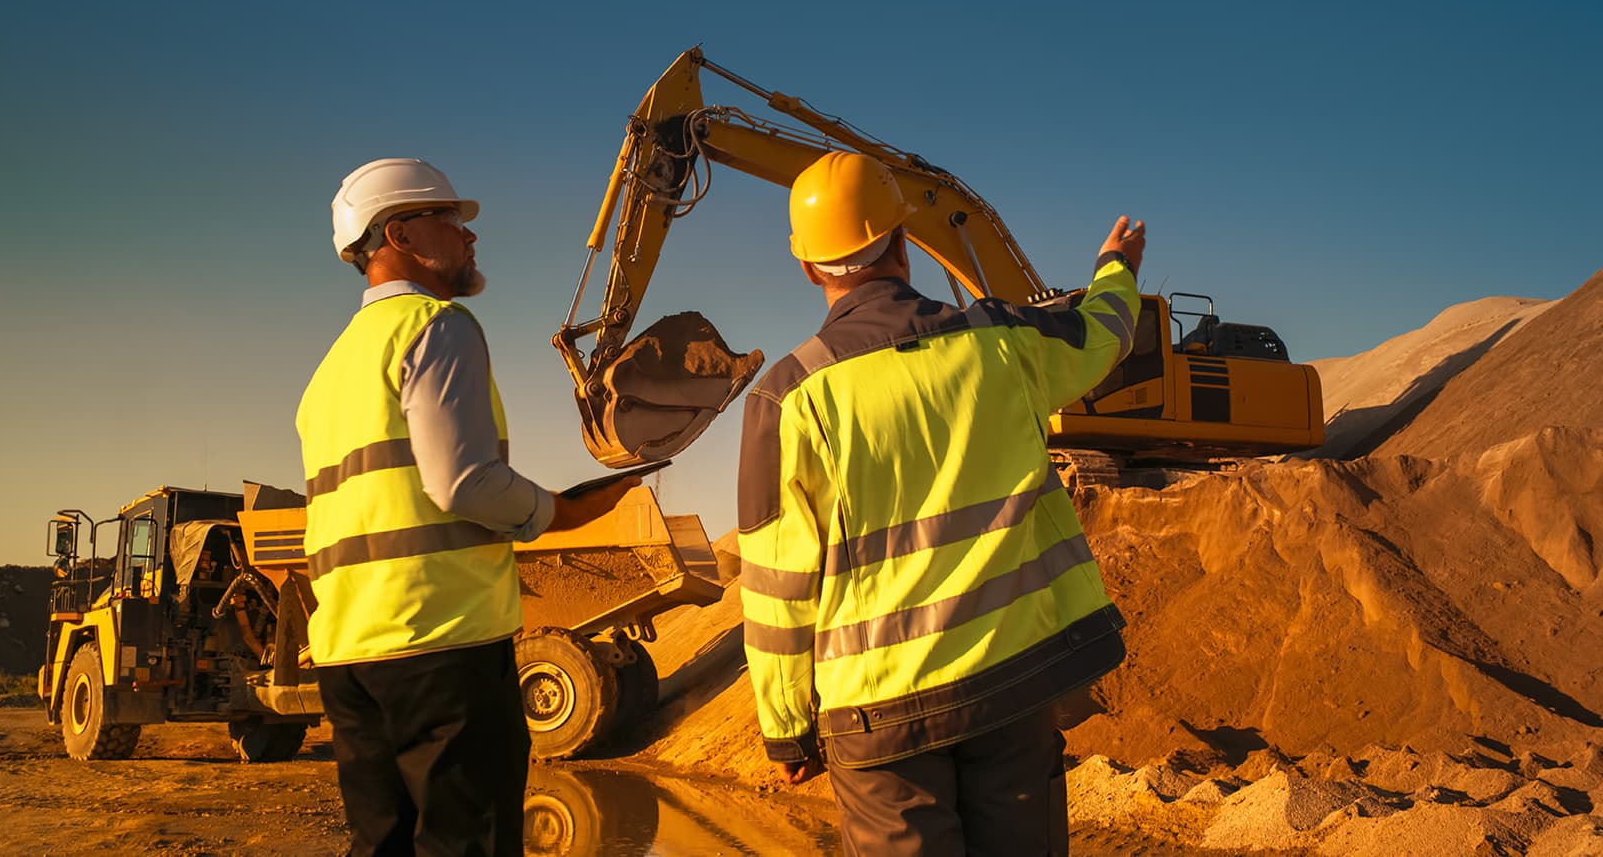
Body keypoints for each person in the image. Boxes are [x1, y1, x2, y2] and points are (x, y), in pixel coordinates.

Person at [737, 151, 1146, 856]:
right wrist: (1116, 268)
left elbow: (778, 588)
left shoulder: (787, 399)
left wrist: (787, 728)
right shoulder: (1003, 341)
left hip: (879, 720)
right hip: (1013, 682)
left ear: (807, 267)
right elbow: (1104, 331)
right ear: (903, 240)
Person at [297, 158, 635, 857]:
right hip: (441, 645)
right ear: (399, 233)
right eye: (450, 219)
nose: (469, 235)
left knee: (380, 845)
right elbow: (462, 483)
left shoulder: (329, 370)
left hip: (349, 655)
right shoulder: (437, 327)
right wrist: (563, 511)